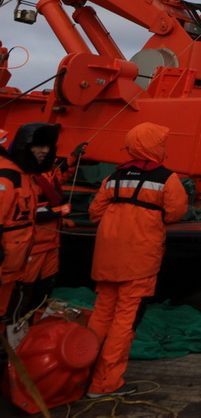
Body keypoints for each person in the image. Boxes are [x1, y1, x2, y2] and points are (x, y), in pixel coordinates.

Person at [85, 122, 188, 399]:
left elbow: (95, 213)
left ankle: (80, 373)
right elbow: (175, 212)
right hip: (140, 261)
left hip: (106, 260)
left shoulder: (113, 177)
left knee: (100, 316)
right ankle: (105, 383)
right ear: (155, 147)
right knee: (125, 322)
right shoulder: (167, 178)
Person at [12, 139, 88, 319]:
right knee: (24, 286)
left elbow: (57, 177)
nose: (44, 151)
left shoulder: (45, 171)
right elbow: (28, 211)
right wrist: (59, 212)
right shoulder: (22, 177)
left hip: (51, 242)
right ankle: (16, 322)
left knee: (46, 284)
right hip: (34, 243)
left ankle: (35, 319)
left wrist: (72, 158)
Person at [0, 123, 60, 330]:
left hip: (13, 268)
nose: (44, 150)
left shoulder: (27, 178)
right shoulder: (8, 178)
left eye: (48, 146)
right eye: (38, 146)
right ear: (24, 146)